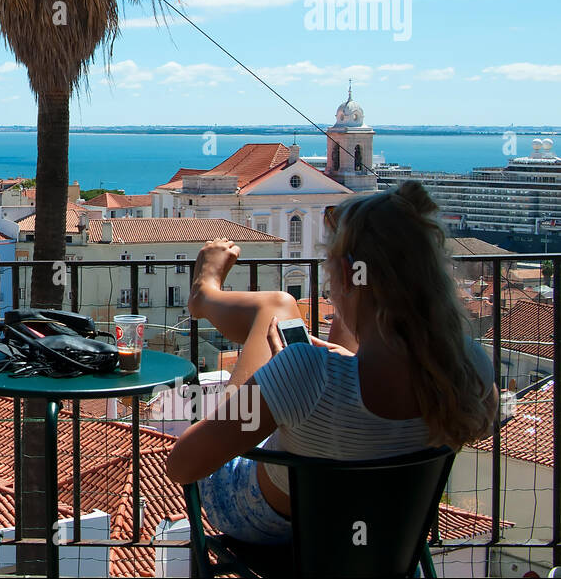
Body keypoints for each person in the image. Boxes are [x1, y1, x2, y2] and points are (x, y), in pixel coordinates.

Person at [165, 180, 498, 545]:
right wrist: (346, 364)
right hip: (385, 528)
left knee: (276, 306)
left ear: (344, 273)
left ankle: (206, 294)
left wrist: (276, 380)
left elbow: (183, 466)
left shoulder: (307, 373)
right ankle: (210, 298)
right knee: (298, 319)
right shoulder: (467, 363)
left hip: (272, 521)